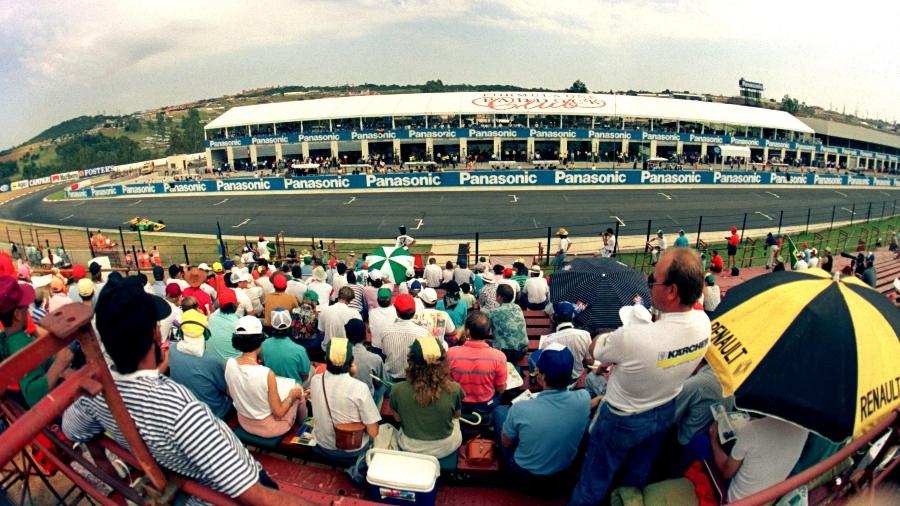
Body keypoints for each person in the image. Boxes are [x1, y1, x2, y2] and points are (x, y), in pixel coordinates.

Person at [61, 274, 306, 505]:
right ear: (156, 333)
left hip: (184, 469)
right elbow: (254, 495)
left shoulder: (96, 392)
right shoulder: (179, 408)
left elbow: (72, 429)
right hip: (220, 489)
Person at [570, 248, 711, 505]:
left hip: (622, 418)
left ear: (672, 291)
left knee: (593, 482)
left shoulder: (633, 338)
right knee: (636, 476)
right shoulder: (704, 323)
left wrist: (615, 343)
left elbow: (595, 348)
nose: (649, 284)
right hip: (665, 408)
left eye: (653, 280)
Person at [495, 344, 592, 478]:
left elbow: (507, 443)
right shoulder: (584, 399)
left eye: (538, 368)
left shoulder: (520, 409)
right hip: (564, 469)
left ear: (542, 376)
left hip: (524, 473)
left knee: (499, 412)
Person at [225, 315, 306, 438]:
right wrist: (292, 395)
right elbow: (278, 413)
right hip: (269, 428)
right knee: (298, 389)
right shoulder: (266, 373)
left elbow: (230, 393)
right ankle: (303, 427)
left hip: (244, 421)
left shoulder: (229, 363)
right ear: (260, 341)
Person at [0, 277, 73, 407]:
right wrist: (60, 363)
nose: (28, 311)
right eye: (25, 308)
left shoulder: (4, 337)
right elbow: (34, 396)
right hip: (41, 408)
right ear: (17, 314)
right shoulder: (21, 345)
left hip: (13, 397)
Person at [310, 337, 381, 464]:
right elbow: (373, 432)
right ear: (352, 361)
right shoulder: (360, 388)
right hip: (352, 452)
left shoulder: (316, 380)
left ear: (326, 360)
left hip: (322, 447)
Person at [390, 337, 463, 459]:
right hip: (445, 448)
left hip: (410, 447)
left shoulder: (397, 389)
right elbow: (456, 416)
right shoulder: (454, 389)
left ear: (411, 362)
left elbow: (397, 419)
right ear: (443, 361)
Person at [711, 415, 808, 502]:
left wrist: (713, 439)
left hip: (735, 500)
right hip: (765, 500)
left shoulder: (753, 429)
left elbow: (726, 473)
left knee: (700, 442)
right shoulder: (805, 430)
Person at [168, 309, 232, 419]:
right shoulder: (212, 361)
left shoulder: (172, 349)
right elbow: (226, 390)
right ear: (205, 333)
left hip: (183, 408)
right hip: (214, 412)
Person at [448, 311, 507, 413]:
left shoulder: (450, 354)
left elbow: (447, 382)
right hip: (486, 404)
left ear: (467, 332)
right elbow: (501, 389)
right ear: (489, 332)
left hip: (459, 403)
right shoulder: (499, 357)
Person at [380, 294, 431, 381]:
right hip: (415, 381)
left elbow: (385, 353)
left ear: (396, 311)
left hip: (391, 379)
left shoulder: (385, 331)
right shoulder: (424, 333)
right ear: (414, 311)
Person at [538, 302, 592, 381]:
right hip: (577, 378)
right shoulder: (585, 335)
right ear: (572, 317)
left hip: (556, 382)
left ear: (554, 318)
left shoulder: (547, 341)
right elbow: (590, 361)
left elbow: (543, 365)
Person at [262, 309, 310, 385]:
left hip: (271, 384)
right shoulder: (300, 350)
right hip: (294, 388)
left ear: (272, 325)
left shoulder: (263, 345)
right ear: (290, 325)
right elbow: (305, 376)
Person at [345, 319, 385, 404]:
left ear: (346, 335)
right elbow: (381, 383)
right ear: (365, 336)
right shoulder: (375, 359)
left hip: (345, 400)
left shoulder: (339, 357)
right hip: (367, 402)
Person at [488, 284, 528, 364]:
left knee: (484, 343)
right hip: (522, 350)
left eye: (496, 294)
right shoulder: (517, 307)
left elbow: (487, 330)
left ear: (500, 297)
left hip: (504, 353)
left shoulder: (493, 312)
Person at [317, 286, 361, 351]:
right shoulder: (355, 313)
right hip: (346, 351)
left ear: (338, 296)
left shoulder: (324, 310)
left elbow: (321, 332)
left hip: (328, 349)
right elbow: (358, 334)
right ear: (350, 301)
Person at [206, 290, 242, 361]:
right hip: (231, 365)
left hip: (212, 361)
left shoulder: (212, 317)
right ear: (237, 304)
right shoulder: (239, 323)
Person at [367, 288, 397, 354]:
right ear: (391, 300)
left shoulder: (372, 312)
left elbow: (369, 330)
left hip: (376, 349)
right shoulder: (395, 312)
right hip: (391, 348)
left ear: (377, 300)